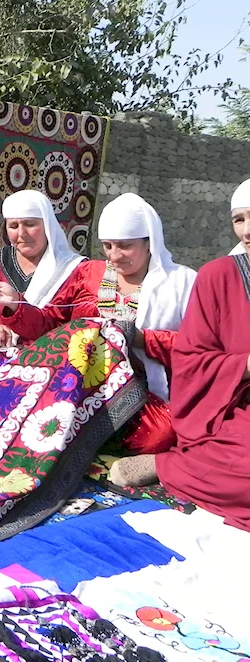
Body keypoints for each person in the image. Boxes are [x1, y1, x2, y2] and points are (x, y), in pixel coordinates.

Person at [0, 193, 197, 454]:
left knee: (158, 435)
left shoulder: (183, 283)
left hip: (141, 390)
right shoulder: (90, 274)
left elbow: (197, 347)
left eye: (125, 245)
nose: (114, 255)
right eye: (107, 245)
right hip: (78, 383)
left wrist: (136, 337)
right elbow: (50, 326)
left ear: (150, 242)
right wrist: (16, 303)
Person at [112, 181, 250, 524]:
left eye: (124, 245)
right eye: (239, 220)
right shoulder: (219, 276)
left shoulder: (181, 280)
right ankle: (168, 465)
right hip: (234, 406)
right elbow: (191, 357)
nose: (247, 231)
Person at [0, 190, 84, 347]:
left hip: (45, 360)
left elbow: (74, 327)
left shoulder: (71, 269)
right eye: (13, 226)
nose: (21, 233)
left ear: (47, 225)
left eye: (30, 224)